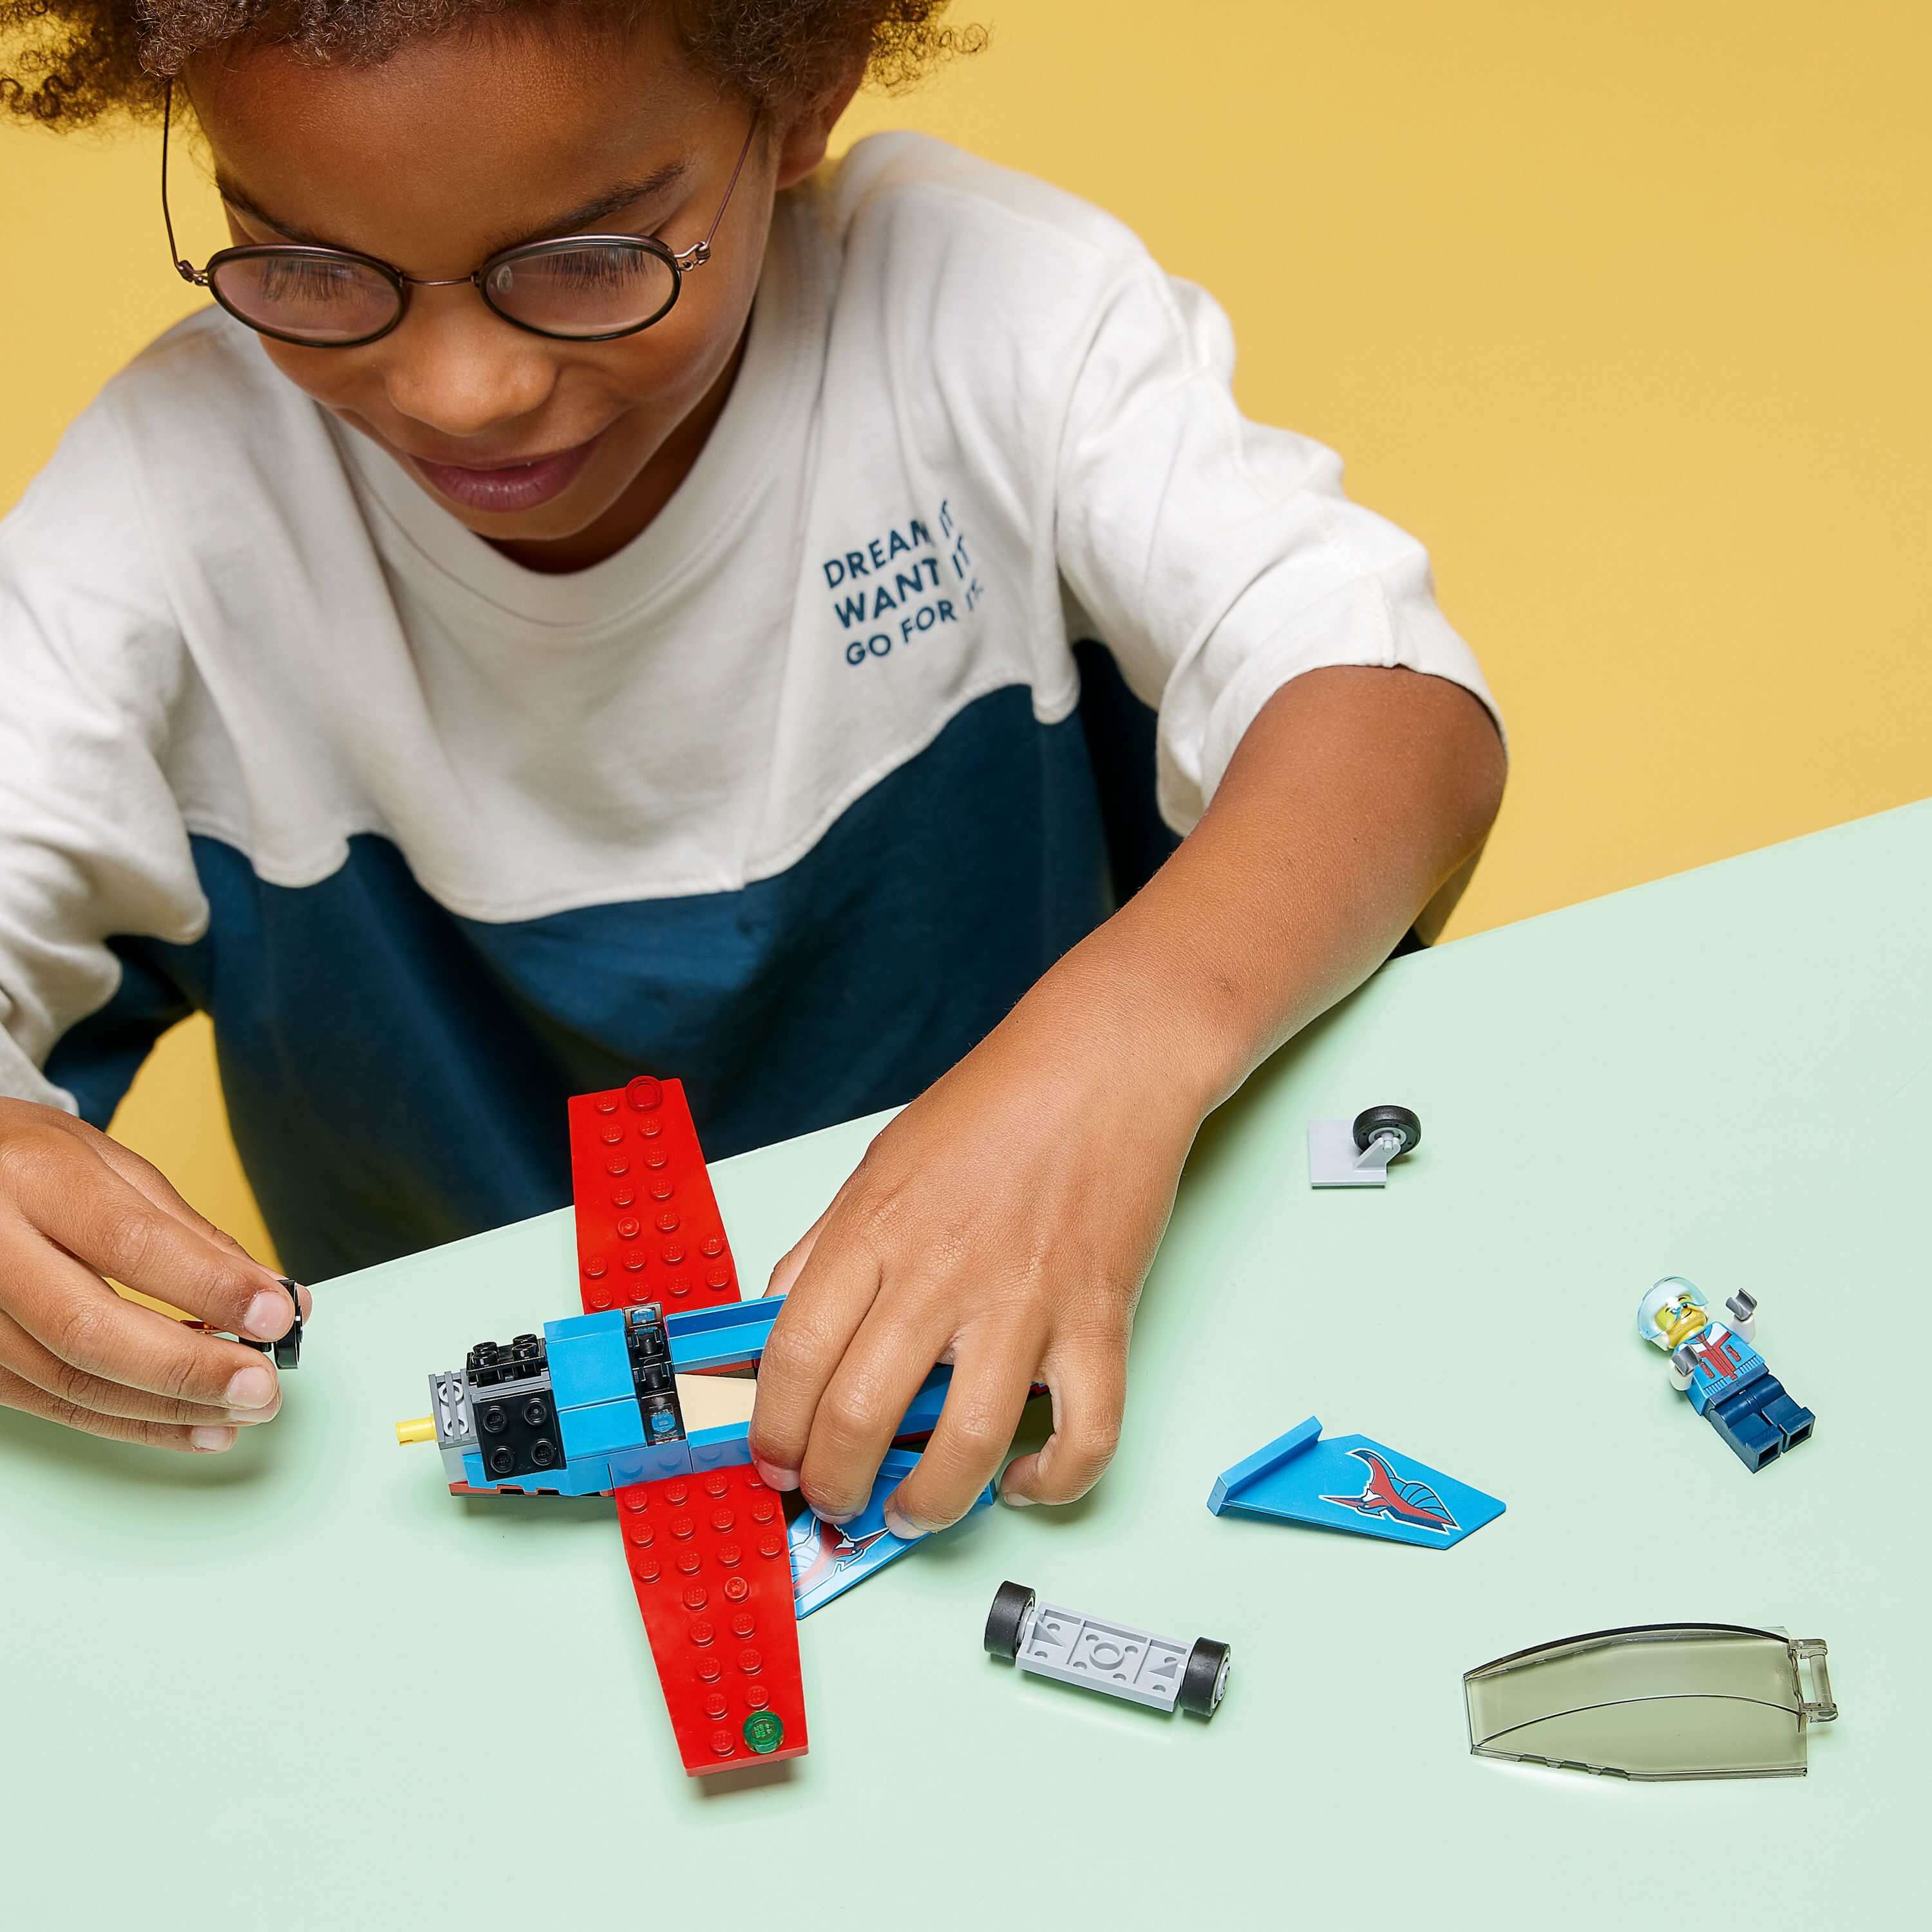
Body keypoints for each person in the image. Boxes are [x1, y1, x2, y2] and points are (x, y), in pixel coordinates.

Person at [0, 1, 1506, 1540]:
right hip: (495, 1478)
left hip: (1034, 1365)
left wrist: (1110, 1057)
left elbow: (1395, 711)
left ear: (800, 100)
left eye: (586, 259)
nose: (463, 390)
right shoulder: (166, 503)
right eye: (310, 268)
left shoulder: (986, 311)